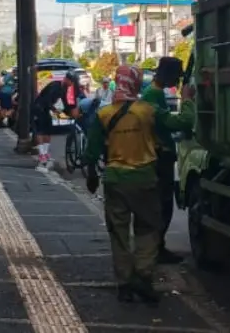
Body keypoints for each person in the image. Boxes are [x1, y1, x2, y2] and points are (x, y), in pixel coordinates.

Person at [84, 65, 194, 303]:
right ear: (135, 83)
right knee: (147, 230)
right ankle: (143, 276)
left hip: (114, 181)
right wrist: (186, 100)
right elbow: (184, 123)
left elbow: (91, 151)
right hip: (145, 180)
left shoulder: (104, 114)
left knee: (119, 234)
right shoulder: (149, 110)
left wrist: (91, 175)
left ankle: (124, 284)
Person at [140, 57, 186, 264]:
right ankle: (155, 248)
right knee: (162, 203)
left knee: (162, 203)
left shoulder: (155, 93)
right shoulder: (152, 95)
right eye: (176, 76)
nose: (177, 81)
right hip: (159, 157)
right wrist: (190, 103)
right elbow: (171, 122)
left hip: (160, 154)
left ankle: (158, 246)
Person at [30, 70, 83, 169]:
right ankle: (42, 155)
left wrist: (69, 112)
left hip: (46, 110)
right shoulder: (55, 86)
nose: (72, 84)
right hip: (38, 108)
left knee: (48, 131)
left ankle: (45, 154)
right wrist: (55, 110)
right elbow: (47, 100)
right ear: (66, 79)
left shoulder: (64, 88)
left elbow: (65, 102)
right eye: (71, 81)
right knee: (40, 132)